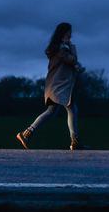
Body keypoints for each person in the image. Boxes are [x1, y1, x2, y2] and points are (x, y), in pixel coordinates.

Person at [16, 22, 89, 150]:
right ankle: (75, 141)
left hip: (55, 85)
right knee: (71, 108)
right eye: (68, 33)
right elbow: (72, 60)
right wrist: (72, 47)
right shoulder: (62, 48)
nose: (70, 36)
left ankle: (26, 134)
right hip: (59, 86)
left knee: (52, 111)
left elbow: (72, 64)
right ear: (63, 34)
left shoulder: (59, 48)